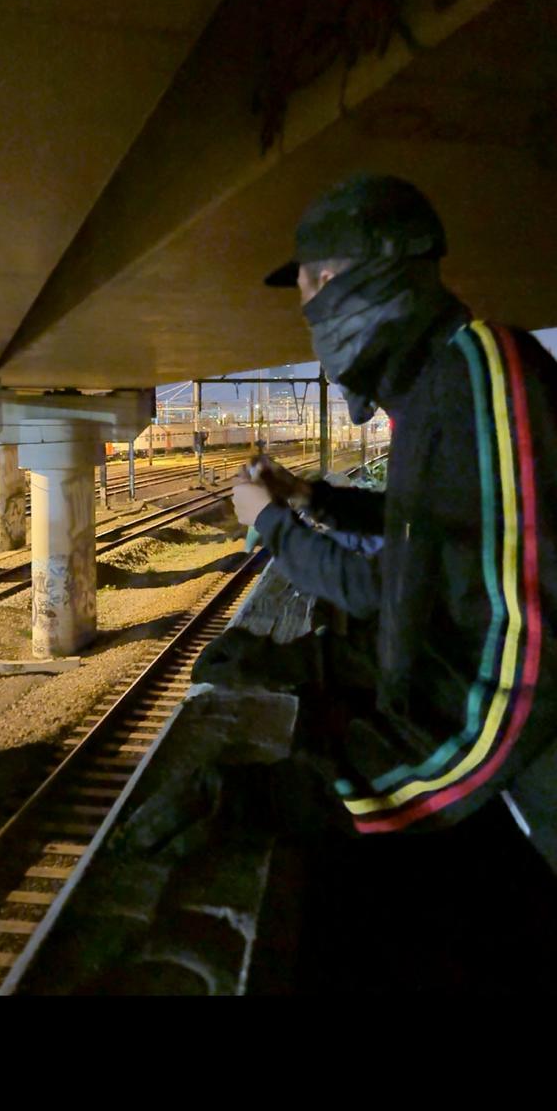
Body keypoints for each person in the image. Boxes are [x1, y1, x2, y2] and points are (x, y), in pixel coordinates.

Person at [232, 172, 557, 846]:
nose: (311, 310)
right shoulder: (438, 387)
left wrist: (377, 795)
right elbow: (434, 535)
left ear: (344, 283)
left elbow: (526, 652)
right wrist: (307, 499)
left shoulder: (485, 366)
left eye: (314, 286)